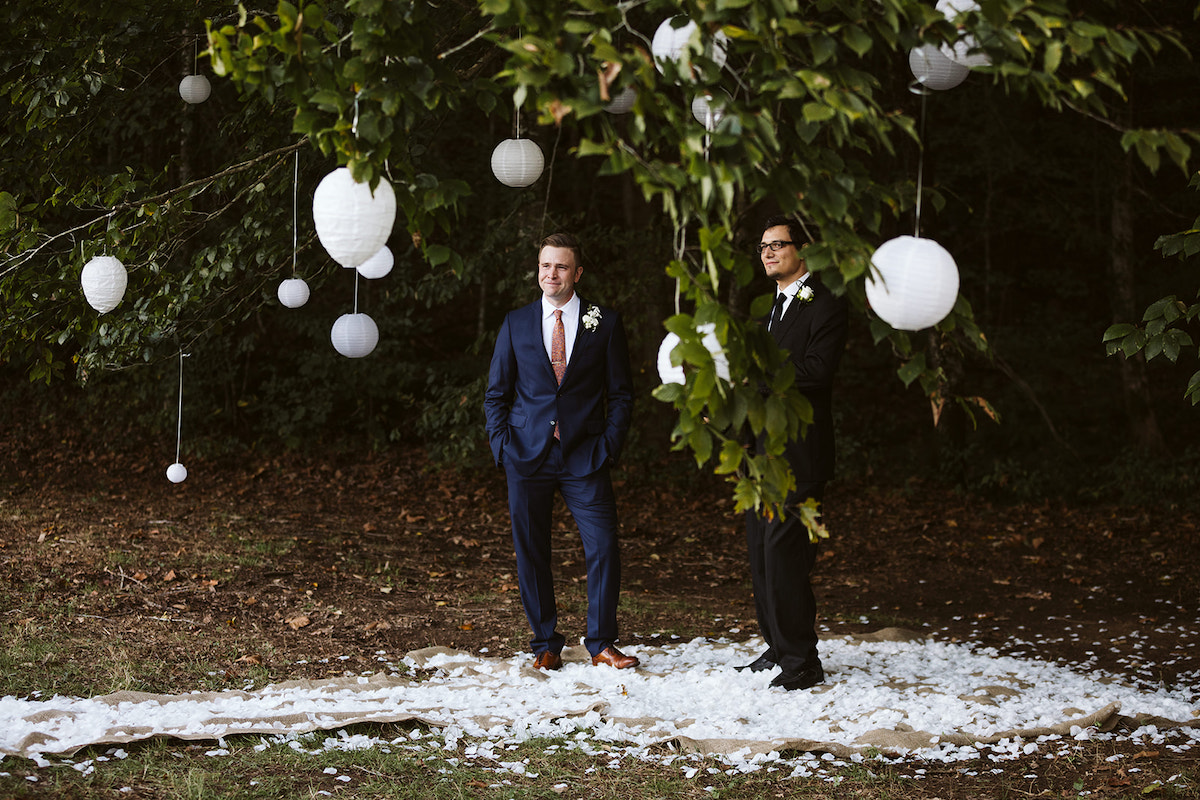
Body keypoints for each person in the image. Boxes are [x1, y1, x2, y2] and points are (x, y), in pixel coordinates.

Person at [484, 232, 639, 671]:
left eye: (561, 266)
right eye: (545, 266)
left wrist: (608, 445)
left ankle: (602, 642)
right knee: (531, 550)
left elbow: (621, 394)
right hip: (526, 455)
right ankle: (545, 643)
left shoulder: (603, 322)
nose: (551, 274)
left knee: (604, 544)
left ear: (578, 273)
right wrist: (502, 447)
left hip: (585, 456)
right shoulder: (516, 322)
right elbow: (496, 393)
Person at [739, 215, 849, 690]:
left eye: (777, 244)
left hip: (799, 454)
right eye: (763, 246)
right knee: (762, 557)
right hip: (761, 454)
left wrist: (754, 379)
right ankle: (779, 645)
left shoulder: (825, 304)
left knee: (786, 560)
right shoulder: (771, 307)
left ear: (803, 250)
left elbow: (816, 372)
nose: (767, 253)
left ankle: (803, 661)